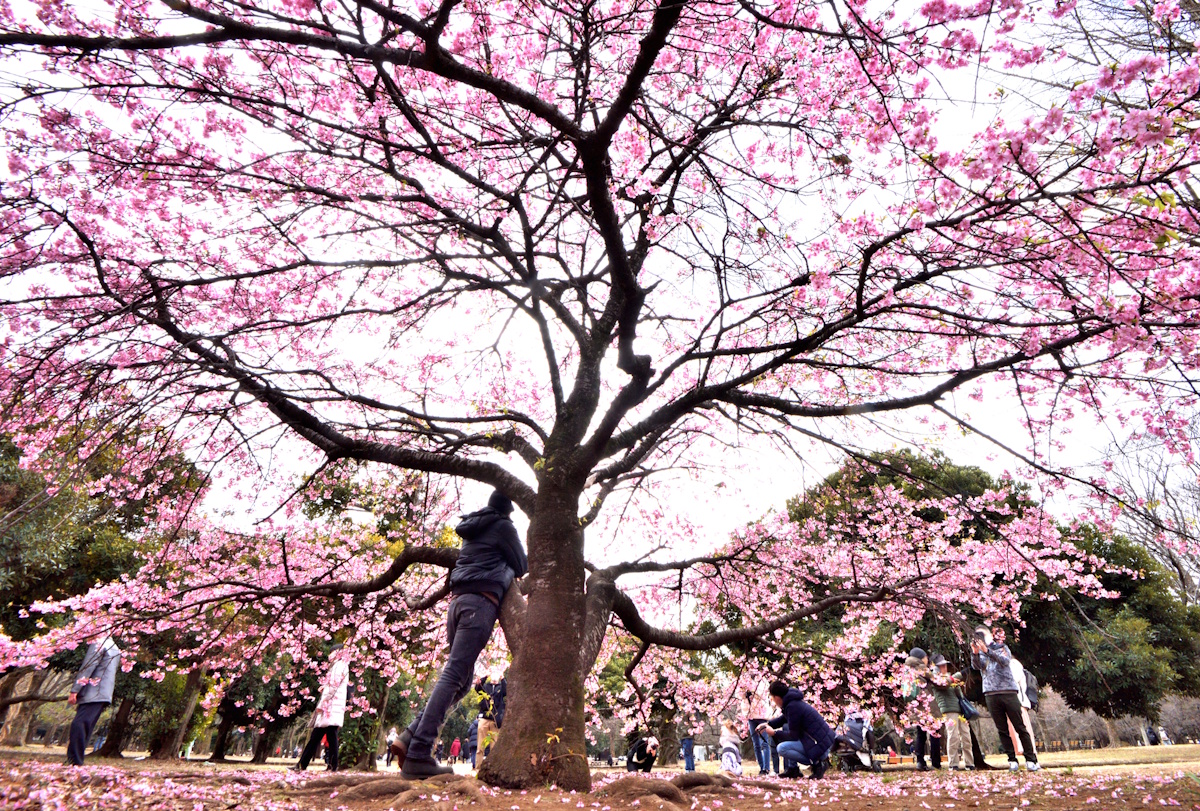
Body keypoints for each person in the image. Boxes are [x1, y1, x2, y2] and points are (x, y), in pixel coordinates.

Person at [392, 490, 528, 779]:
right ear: (506, 512)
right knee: (455, 674)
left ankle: (409, 736)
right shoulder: (503, 526)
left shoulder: (473, 528)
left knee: (463, 683)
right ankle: (418, 754)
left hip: (457, 604)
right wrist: (505, 569)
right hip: (479, 603)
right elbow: (522, 564)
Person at [971, 626, 1039, 772]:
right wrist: (975, 654)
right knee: (1002, 729)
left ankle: (1031, 759)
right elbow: (977, 667)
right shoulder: (981, 653)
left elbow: (1005, 661)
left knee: (1020, 726)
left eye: (982, 635)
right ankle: (1012, 760)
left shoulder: (1002, 647)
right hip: (990, 693)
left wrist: (987, 651)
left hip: (1008, 692)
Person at [758, 680, 836, 780]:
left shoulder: (792, 706)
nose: (773, 701)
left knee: (782, 748)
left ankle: (818, 764)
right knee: (786, 730)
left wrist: (774, 733)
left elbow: (793, 735)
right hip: (820, 743)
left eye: (772, 698)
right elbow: (784, 718)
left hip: (819, 746)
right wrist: (767, 724)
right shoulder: (792, 703)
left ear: (777, 698)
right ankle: (793, 769)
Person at [293, 645, 351, 773]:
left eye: (332, 652)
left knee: (328, 736)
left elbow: (333, 687)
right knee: (320, 736)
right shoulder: (340, 665)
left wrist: (322, 704)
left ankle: (329, 766)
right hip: (332, 706)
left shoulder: (339, 665)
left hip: (330, 706)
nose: (329, 655)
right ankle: (306, 764)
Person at [66, 635, 121, 766]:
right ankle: (76, 760)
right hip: (104, 692)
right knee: (86, 725)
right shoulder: (114, 647)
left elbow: (88, 666)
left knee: (79, 724)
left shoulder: (99, 643)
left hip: (93, 691)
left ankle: (75, 760)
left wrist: (75, 689)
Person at [930, 655, 974, 770]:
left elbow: (959, 694)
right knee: (953, 737)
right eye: (942, 666)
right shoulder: (936, 680)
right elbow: (943, 685)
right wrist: (956, 676)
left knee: (966, 737)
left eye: (945, 665)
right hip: (948, 710)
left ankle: (969, 763)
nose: (945, 668)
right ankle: (953, 763)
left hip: (959, 710)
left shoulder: (950, 678)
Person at [903, 647, 942, 771]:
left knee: (921, 734)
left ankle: (920, 762)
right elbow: (935, 679)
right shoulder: (921, 668)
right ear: (920, 658)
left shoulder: (907, 670)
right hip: (928, 706)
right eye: (925, 657)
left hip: (916, 707)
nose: (927, 659)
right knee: (935, 733)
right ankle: (936, 763)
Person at [476, 672, 508, 761]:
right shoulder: (485, 686)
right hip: (484, 718)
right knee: (480, 746)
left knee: (494, 746)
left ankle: (492, 768)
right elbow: (478, 688)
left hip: (495, 720)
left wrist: (502, 678)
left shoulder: (500, 687)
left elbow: (506, 692)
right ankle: (478, 768)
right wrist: (485, 677)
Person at [744, 687, 776, 775]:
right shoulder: (744, 681)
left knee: (764, 742)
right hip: (751, 716)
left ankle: (766, 768)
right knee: (756, 744)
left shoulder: (762, 681)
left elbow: (763, 694)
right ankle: (761, 767)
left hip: (762, 716)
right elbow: (740, 696)